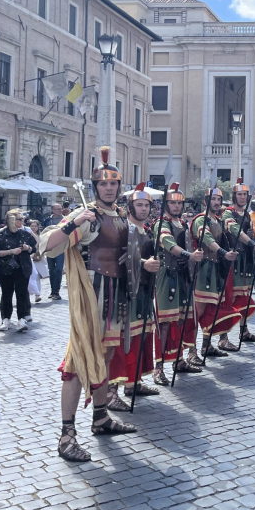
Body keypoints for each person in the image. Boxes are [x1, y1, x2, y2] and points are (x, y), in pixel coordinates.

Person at [40, 147, 138, 462]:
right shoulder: (87, 216)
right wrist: (74, 221)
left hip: (117, 298)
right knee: (75, 366)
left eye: (113, 184)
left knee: (105, 357)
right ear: (95, 187)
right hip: (91, 301)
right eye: (103, 184)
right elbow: (48, 246)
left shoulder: (122, 215)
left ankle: (100, 418)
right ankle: (66, 435)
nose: (109, 188)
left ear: (119, 186)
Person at [108, 183, 162, 399]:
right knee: (123, 340)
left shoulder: (147, 230)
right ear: (130, 207)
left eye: (146, 205)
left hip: (145, 290)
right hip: (126, 292)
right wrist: (142, 263)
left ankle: (134, 382)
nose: (143, 209)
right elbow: (118, 258)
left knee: (141, 336)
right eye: (139, 205)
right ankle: (112, 391)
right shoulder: (123, 230)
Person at [153, 183, 204, 384]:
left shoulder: (182, 224)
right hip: (167, 276)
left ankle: (179, 360)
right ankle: (159, 368)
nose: (176, 206)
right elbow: (167, 243)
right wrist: (188, 255)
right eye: (172, 203)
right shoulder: (161, 223)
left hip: (183, 275)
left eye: (179, 203)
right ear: (166, 204)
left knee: (182, 320)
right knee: (165, 322)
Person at [189, 187, 241, 359]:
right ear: (205, 202)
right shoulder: (200, 220)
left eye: (219, 200)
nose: (217, 203)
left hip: (216, 270)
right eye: (213, 200)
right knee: (198, 312)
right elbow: (207, 238)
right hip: (203, 270)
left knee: (212, 310)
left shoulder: (218, 220)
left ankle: (206, 346)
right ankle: (191, 351)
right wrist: (222, 253)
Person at [220, 179, 255, 347]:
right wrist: (253, 243)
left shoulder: (247, 214)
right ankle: (223, 337)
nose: (242, 197)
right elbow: (234, 230)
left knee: (244, 297)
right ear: (234, 196)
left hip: (246, 259)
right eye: (239, 194)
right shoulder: (228, 213)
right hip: (232, 260)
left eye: (244, 194)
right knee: (228, 298)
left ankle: (244, 331)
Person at [0, 210, 37, 332]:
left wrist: (28, 248)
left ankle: (21, 319)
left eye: (23, 219)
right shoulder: (1, 234)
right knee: (6, 294)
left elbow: (34, 248)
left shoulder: (24, 233)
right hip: (5, 269)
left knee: (21, 294)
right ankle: (6, 319)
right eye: (20, 219)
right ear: (12, 220)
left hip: (22, 268)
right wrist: (11, 251)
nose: (23, 221)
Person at [42, 203, 66, 300]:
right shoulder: (48, 220)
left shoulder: (66, 219)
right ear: (52, 210)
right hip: (50, 247)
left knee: (59, 269)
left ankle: (56, 292)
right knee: (51, 270)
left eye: (61, 209)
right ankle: (53, 291)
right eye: (57, 209)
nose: (60, 210)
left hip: (61, 247)